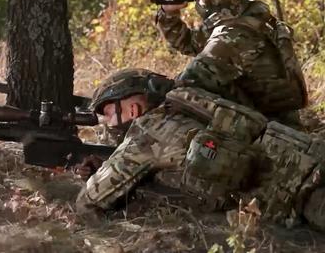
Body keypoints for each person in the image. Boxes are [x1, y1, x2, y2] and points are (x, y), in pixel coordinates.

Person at [75, 68, 325, 232]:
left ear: (134, 101)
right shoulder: (188, 97)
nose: (110, 120)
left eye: (109, 110)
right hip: (311, 152)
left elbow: (88, 202)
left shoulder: (146, 132)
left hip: (302, 195)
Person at [155, 0, 308, 128]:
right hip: (276, 125)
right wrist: (168, 13)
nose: (198, 4)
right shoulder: (253, 19)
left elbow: (186, 84)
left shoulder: (233, 36)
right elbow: (189, 43)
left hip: (262, 135)